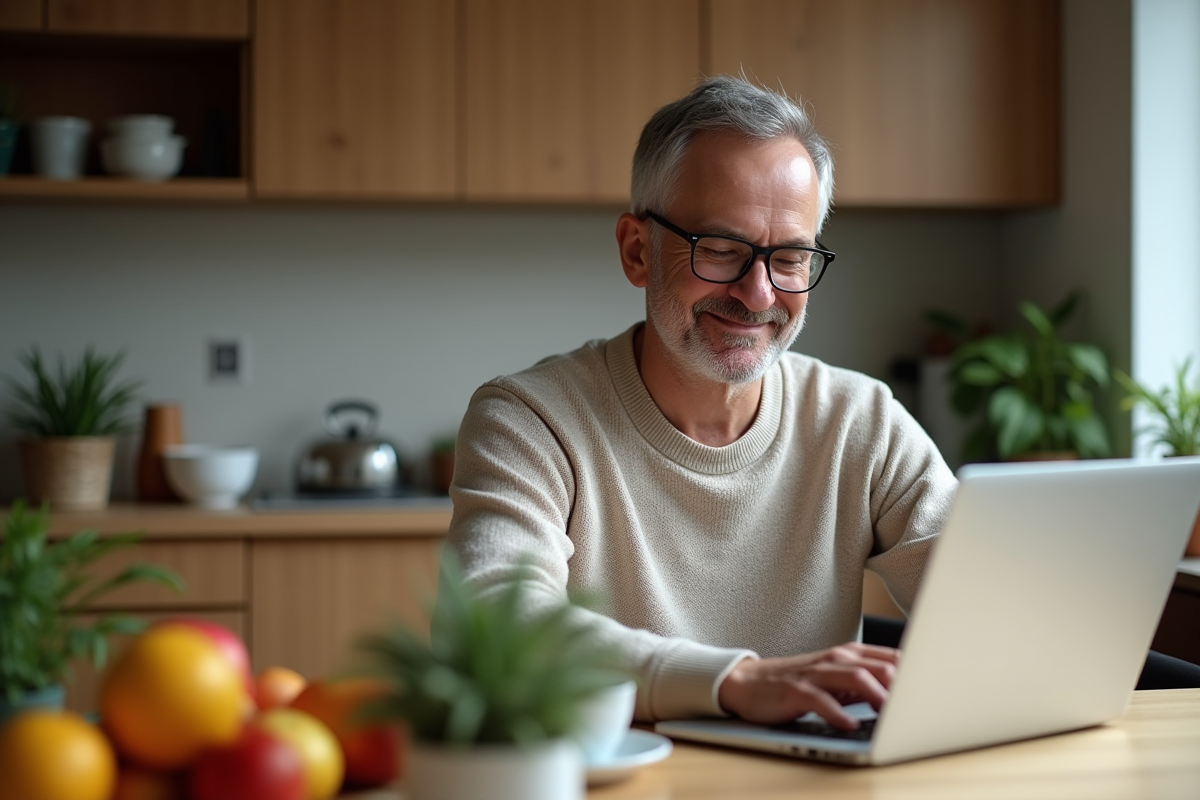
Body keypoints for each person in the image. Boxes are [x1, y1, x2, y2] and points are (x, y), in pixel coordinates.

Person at [445, 75, 958, 729]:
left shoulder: (862, 421)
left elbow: (987, 607)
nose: (759, 294)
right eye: (720, 250)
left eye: (792, 258)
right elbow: (494, 633)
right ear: (637, 250)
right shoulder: (530, 420)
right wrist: (734, 681)